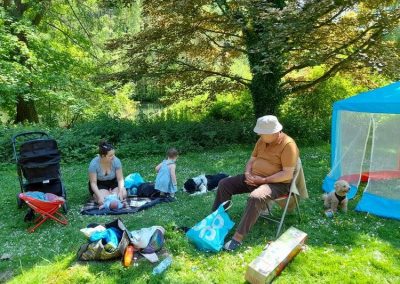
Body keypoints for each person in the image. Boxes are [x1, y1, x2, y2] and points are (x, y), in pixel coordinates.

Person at [212, 115, 299, 251]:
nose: (259, 134)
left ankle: (237, 238)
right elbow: (252, 160)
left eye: (262, 133)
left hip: (277, 183)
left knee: (256, 197)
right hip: (255, 178)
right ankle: (216, 222)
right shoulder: (262, 140)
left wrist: (263, 180)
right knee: (224, 183)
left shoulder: (288, 145)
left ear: (274, 133)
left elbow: (287, 174)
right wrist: (248, 173)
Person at [88, 141, 127, 205]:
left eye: (114, 154)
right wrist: (99, 196)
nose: (113, 157)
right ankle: (98, 196)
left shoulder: (116, 161)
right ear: (103, 156)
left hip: (113, 182)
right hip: (99, 184)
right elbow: (93, 183)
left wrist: (120, 191)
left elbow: (120, 179)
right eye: (110, 155)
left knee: (124, 194)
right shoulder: (94, 164)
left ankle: (112, 195)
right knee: (104, 198)